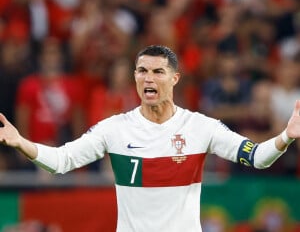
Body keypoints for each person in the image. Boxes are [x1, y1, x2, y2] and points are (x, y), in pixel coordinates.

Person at [0, 44, 300, 232]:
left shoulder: (201, 127)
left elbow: (257, 157)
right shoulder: (114, 129)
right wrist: (20, 141)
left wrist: (286, 136)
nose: (148, 78)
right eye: (142, 71)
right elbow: (61, 161)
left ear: (174, 79)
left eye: (158, 72)